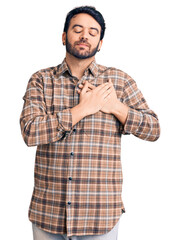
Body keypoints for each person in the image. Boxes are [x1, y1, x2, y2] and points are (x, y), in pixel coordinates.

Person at [20, 6, 160, 240]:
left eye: (93, 32)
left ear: (100, 43)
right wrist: (83, 109)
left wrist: (115, 106)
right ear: (64, 36)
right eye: (78, 30)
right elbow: (30, 131)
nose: (85, 36)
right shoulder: (41, 80)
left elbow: (154, 129)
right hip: (48, 214)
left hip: (100, 216)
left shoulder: (119, 81)